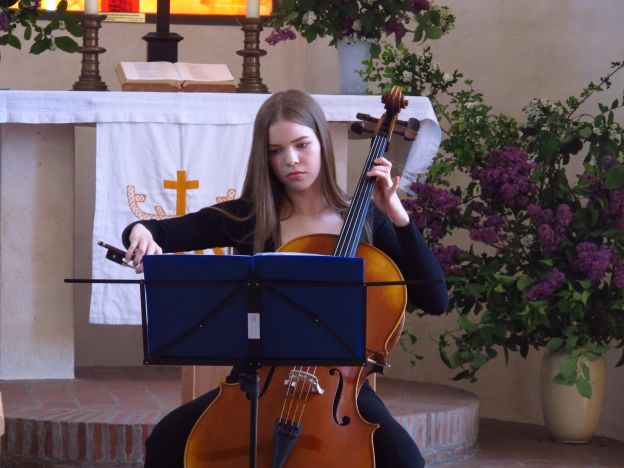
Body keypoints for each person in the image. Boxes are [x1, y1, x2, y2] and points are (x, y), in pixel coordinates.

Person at [123, 89, 448, 468]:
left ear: (322, 143)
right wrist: (141, 232)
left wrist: (397, 215)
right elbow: (161, 231)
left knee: (406, 462)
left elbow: (435, 299)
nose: (290, 159)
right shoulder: (251, 217)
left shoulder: (365, 220)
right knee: (167, 441)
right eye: (276, 151)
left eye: (301, 145)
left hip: (340, 386)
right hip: (259, 379)